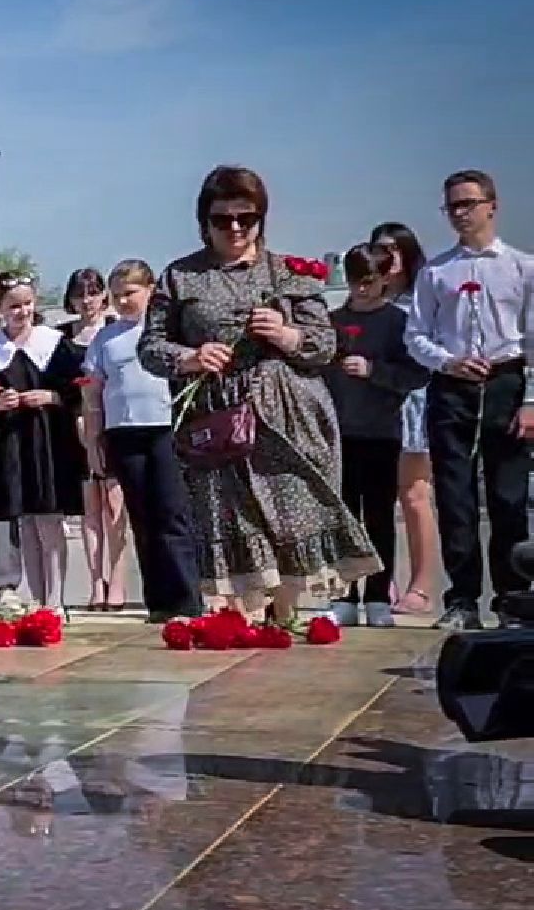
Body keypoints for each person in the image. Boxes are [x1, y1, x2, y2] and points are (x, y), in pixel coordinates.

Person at [139, 165, 379, 623]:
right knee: (233, 519)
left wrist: (286, 335)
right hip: (220, 422)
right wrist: (189, 357)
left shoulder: (287, 273)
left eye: (245, 219)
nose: (233, 228)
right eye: (221, 219)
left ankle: (284, 619)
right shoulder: (180, 277)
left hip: (288, 417)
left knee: (290, 516)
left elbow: (324, 343)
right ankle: (242, 623)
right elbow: (150, 347)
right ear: (204, 222)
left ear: (260, 220)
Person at [403, 169, 533, 629]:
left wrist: (530, 400)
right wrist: (447, 361)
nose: (461, 214)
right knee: (455, 497)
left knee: (507, 496)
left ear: (492, 205)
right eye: (452, 206)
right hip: (453, 386)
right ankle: (461, 599)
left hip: (506, 382)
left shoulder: (522, 266)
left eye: (468, 204)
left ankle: (513, 597)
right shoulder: (436, 271)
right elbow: (415, 335)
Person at [81, 261, 202, 622]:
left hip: (166, 427)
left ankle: (186, 598)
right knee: (141, 517)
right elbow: (93, 392)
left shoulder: (167, 332)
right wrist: (93, 438)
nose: (123, 302)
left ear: (150, 290)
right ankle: (159, 601)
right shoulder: (105, 338)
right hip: (124, 431)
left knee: (171, 513)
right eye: (116, 296)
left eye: (130, 294)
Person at [326, 243, 431, 626]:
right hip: (339, 435)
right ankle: (343, 594)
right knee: (342, 516)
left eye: (368, 281)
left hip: (381, 433)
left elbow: (417, 374)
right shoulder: (332, 320)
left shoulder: (396, 323)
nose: (361, 289)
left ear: (385, 278)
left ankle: (378, 594)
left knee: (379, 516)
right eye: (354, 281)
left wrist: (375, 372)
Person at [0, 272, 86, 610]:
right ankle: (36, 600)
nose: (22, 312)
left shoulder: (52, 343)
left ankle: (56, 600)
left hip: (47, 441)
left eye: (27, 304)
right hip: (12, 445)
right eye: (14, 306)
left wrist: (50, 396)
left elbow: (76, 388)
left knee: (50, 521)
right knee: (25, 521)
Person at [370, 221, 438, 615]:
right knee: (374, 499)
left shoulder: (419, 298)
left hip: (412, 401)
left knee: (414, 496)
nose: (387, 258)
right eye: (380, 249)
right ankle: (383, 582)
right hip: (373, 407)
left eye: (394, 250)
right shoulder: (369, 300)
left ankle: (423, 584)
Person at [61, 267, 129, 612]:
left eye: (93, 292)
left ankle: (117, 580)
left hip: (114, 425)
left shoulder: (115, 331)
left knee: (115, 505)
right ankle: (95, 582)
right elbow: (59, 387)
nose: (87, 301)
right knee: (90, 509)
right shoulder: (63, 338)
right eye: (80, 294)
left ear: (104, 295)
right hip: (77, 428)